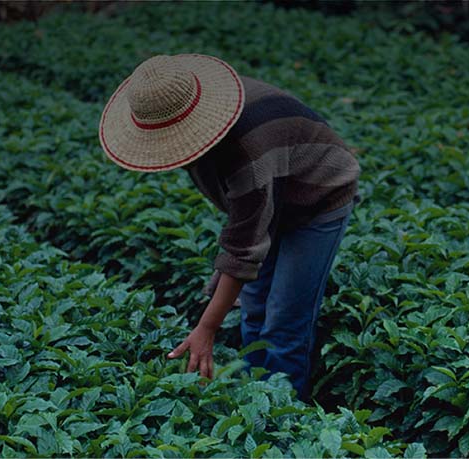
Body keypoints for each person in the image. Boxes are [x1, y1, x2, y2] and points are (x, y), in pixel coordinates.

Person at [99, 54, 360, 402]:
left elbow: (244, 244)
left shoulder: (245, 152)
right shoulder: (205, 138)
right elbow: (246, 225)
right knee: (253, 310)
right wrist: (224, 286)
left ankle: (284, 415)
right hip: (274, 193)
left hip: (319, 195)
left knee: (284, 322)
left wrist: (207, 327)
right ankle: (255, 398)